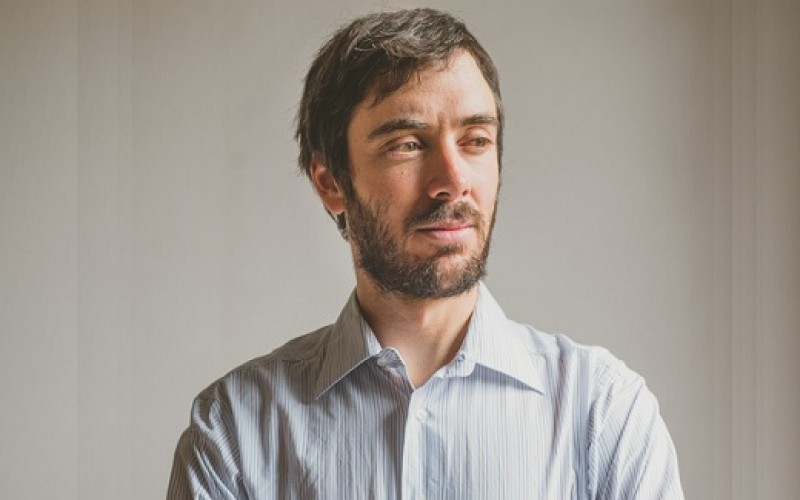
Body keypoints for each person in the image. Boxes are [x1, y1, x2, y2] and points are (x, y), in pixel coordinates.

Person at [167, 8, 683, 499]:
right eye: (407, 144)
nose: (453, 181)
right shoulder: (234, 432)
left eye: (475, 140)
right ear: (331, 182)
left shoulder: (603, 415)